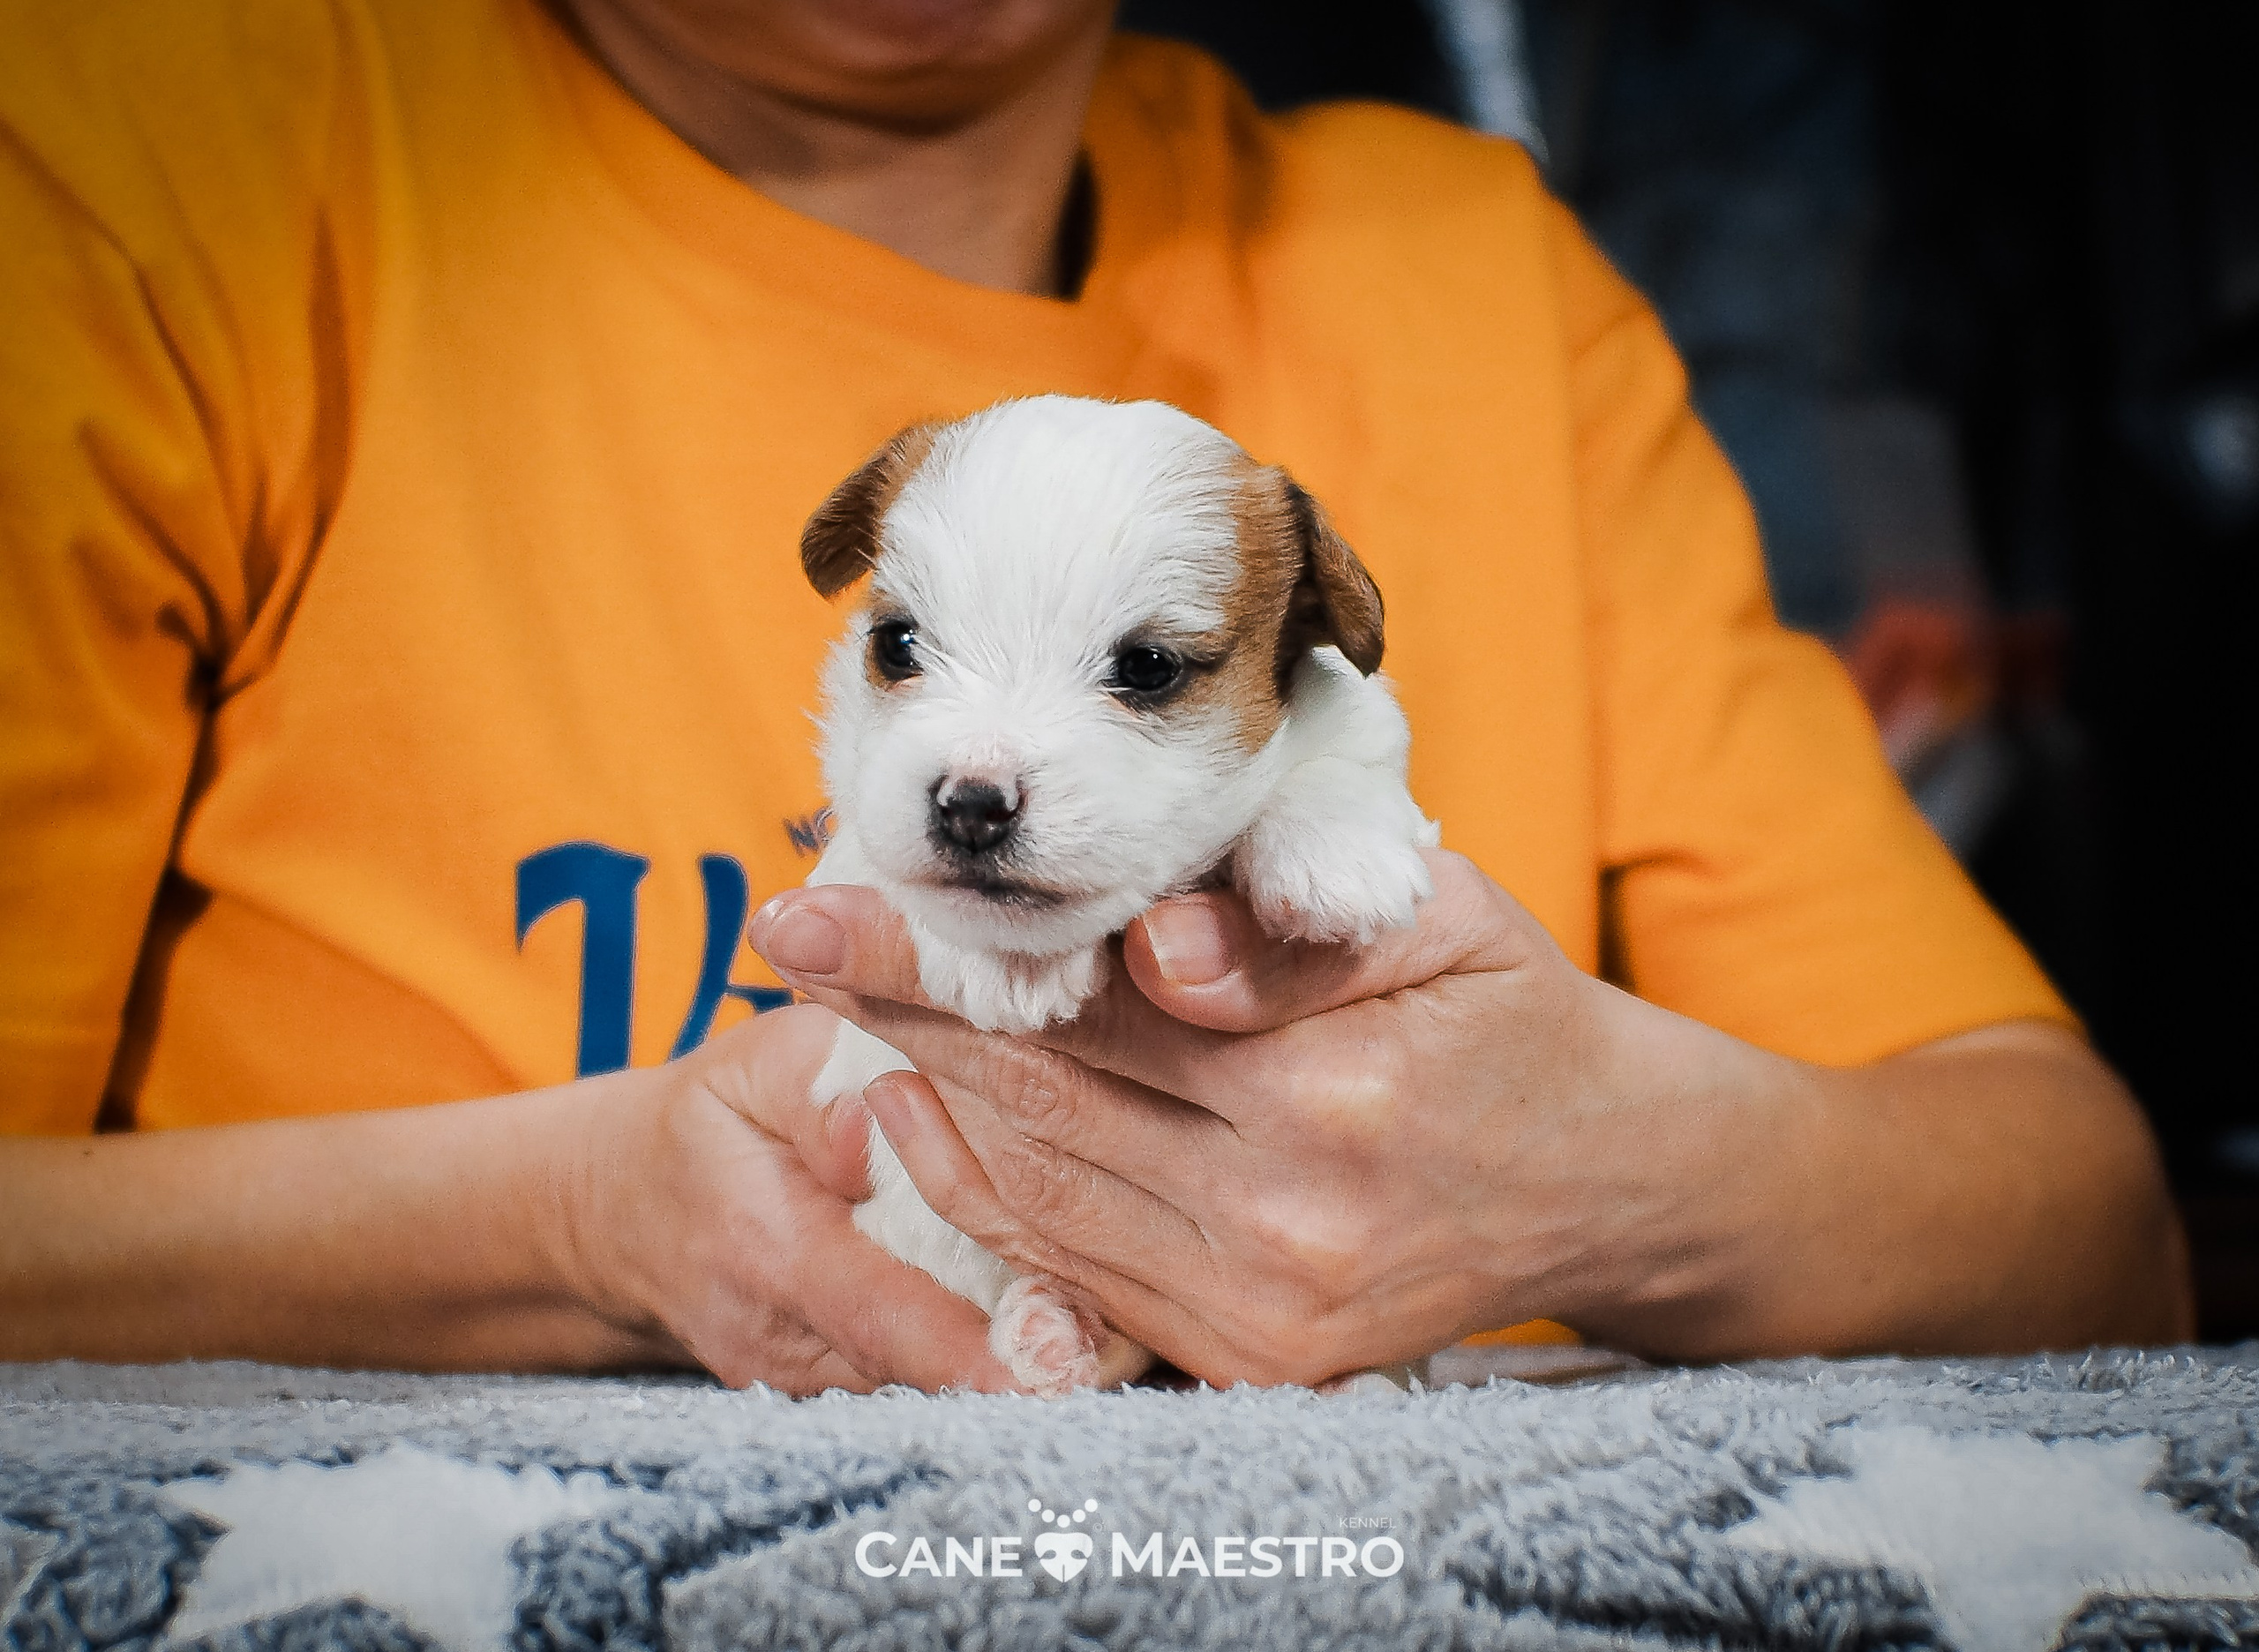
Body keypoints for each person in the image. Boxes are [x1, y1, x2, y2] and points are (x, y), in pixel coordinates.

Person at [0, 0, 2190, 1390]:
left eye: (1147, 676)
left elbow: (2085, 1233)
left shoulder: (1473, 282)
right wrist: (589, 1217)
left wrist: (1601, 1176)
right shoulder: (132, 149)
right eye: (908, 648)